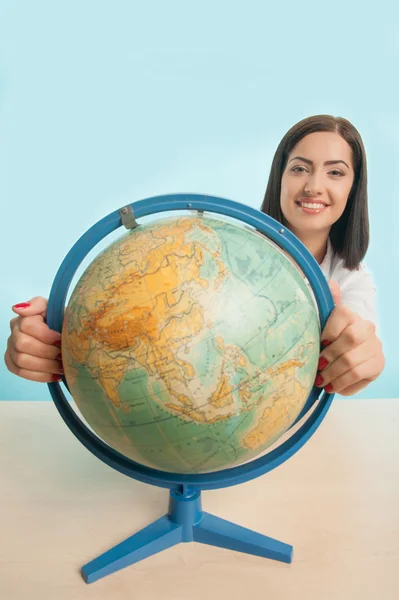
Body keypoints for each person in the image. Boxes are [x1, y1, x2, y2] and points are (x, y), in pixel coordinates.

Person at [4, 114, 385, 396]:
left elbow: (359, 335)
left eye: (335, 173)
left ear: (354, 187)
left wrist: (363, 358)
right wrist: (59, 335)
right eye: (300, 168)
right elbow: (156, 313)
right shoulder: (221, 254)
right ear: (280, 178)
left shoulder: (351, 279)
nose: (314, 186)